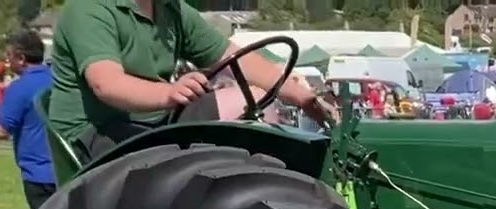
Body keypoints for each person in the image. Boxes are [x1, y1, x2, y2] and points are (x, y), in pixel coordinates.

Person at [48, 0, 333, 163]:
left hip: (153, 122)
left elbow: (232, 57)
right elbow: (106, 84)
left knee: (252, 99)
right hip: (96, 135)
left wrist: (302, 97)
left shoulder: (170, 8)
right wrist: (170, 92)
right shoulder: (90, 9)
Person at [0, 30, 56, 209]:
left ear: (21, 58)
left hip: (38, 173)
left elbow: (1, 130)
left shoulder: (20, 87)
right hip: (68, 168)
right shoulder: (60, 79)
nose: (7, 62)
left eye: (9, 56)